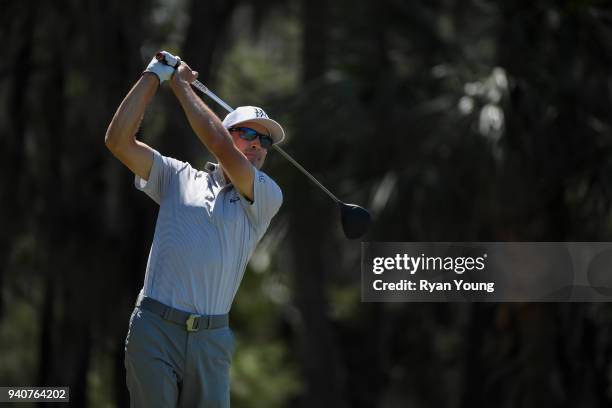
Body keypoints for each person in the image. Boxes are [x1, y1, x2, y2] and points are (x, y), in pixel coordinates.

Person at [104, 51, 284, 408]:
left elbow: (219, 144)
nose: (256, 146)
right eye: (248, 133)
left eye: (264, 141)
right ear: (228, 130)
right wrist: (154, 75)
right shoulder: (177, 176)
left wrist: (182, 87)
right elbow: (118, 141)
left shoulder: (266, 195)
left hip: (210, 338)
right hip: (154, 328)